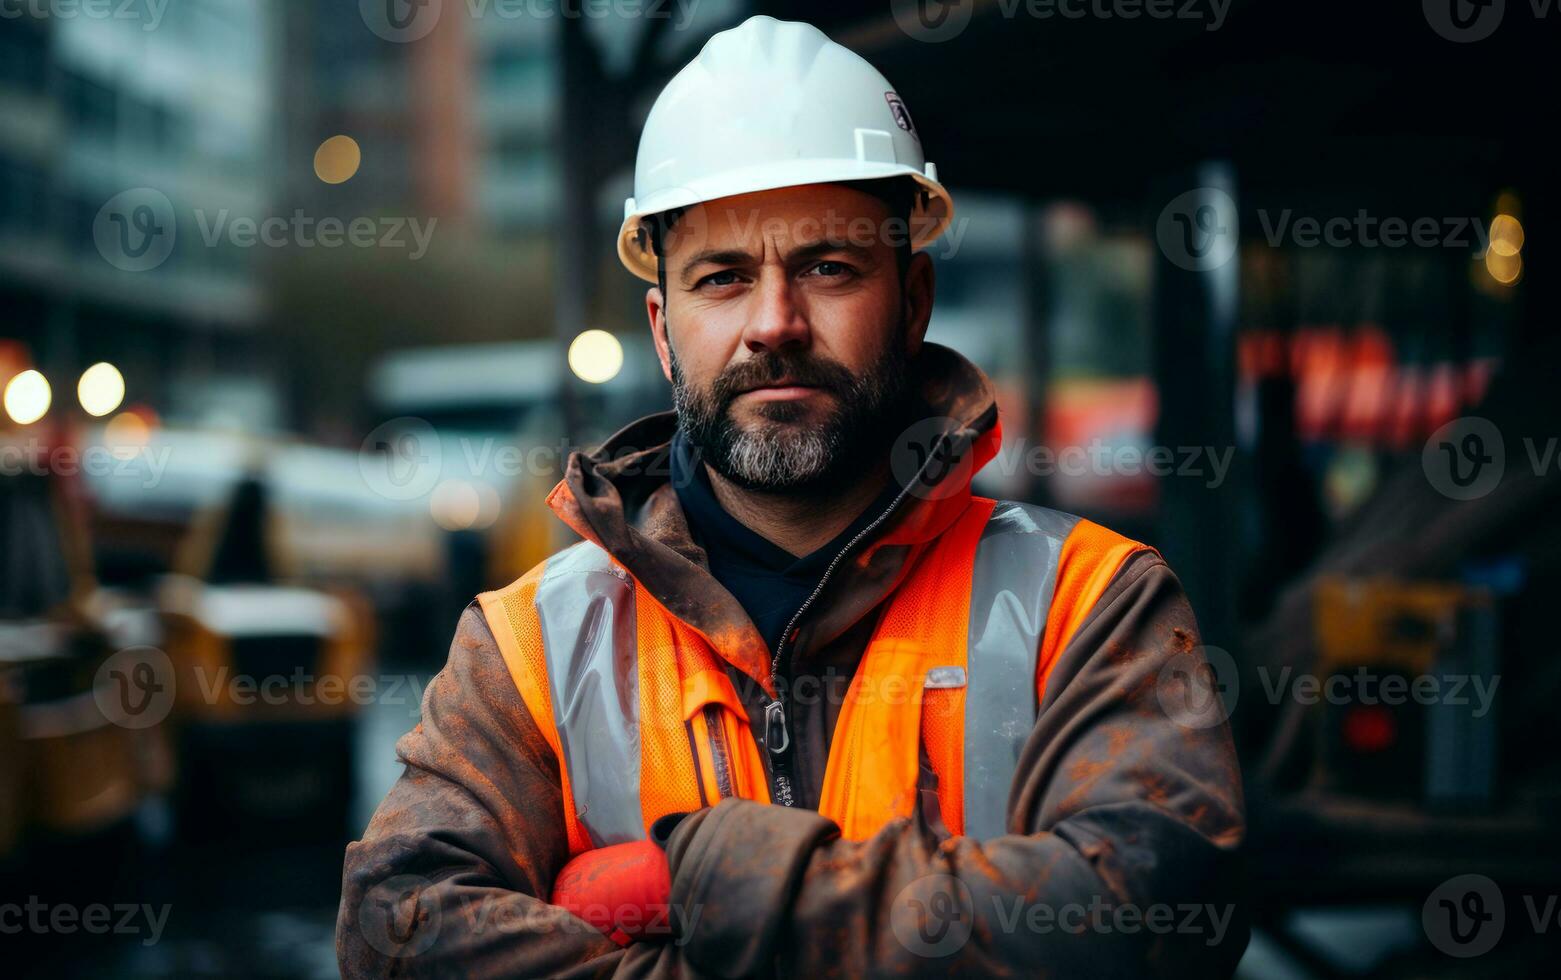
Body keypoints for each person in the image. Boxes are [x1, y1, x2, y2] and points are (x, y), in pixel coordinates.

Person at [338, 15, 1246, 978]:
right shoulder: (532, 648)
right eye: (722, 278)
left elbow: (1155, 913)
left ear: (913, 300)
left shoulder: (1088, 603)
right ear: (661, 327)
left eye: (827, 267)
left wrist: (711, 878)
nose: (774, 324)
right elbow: (397, 933)